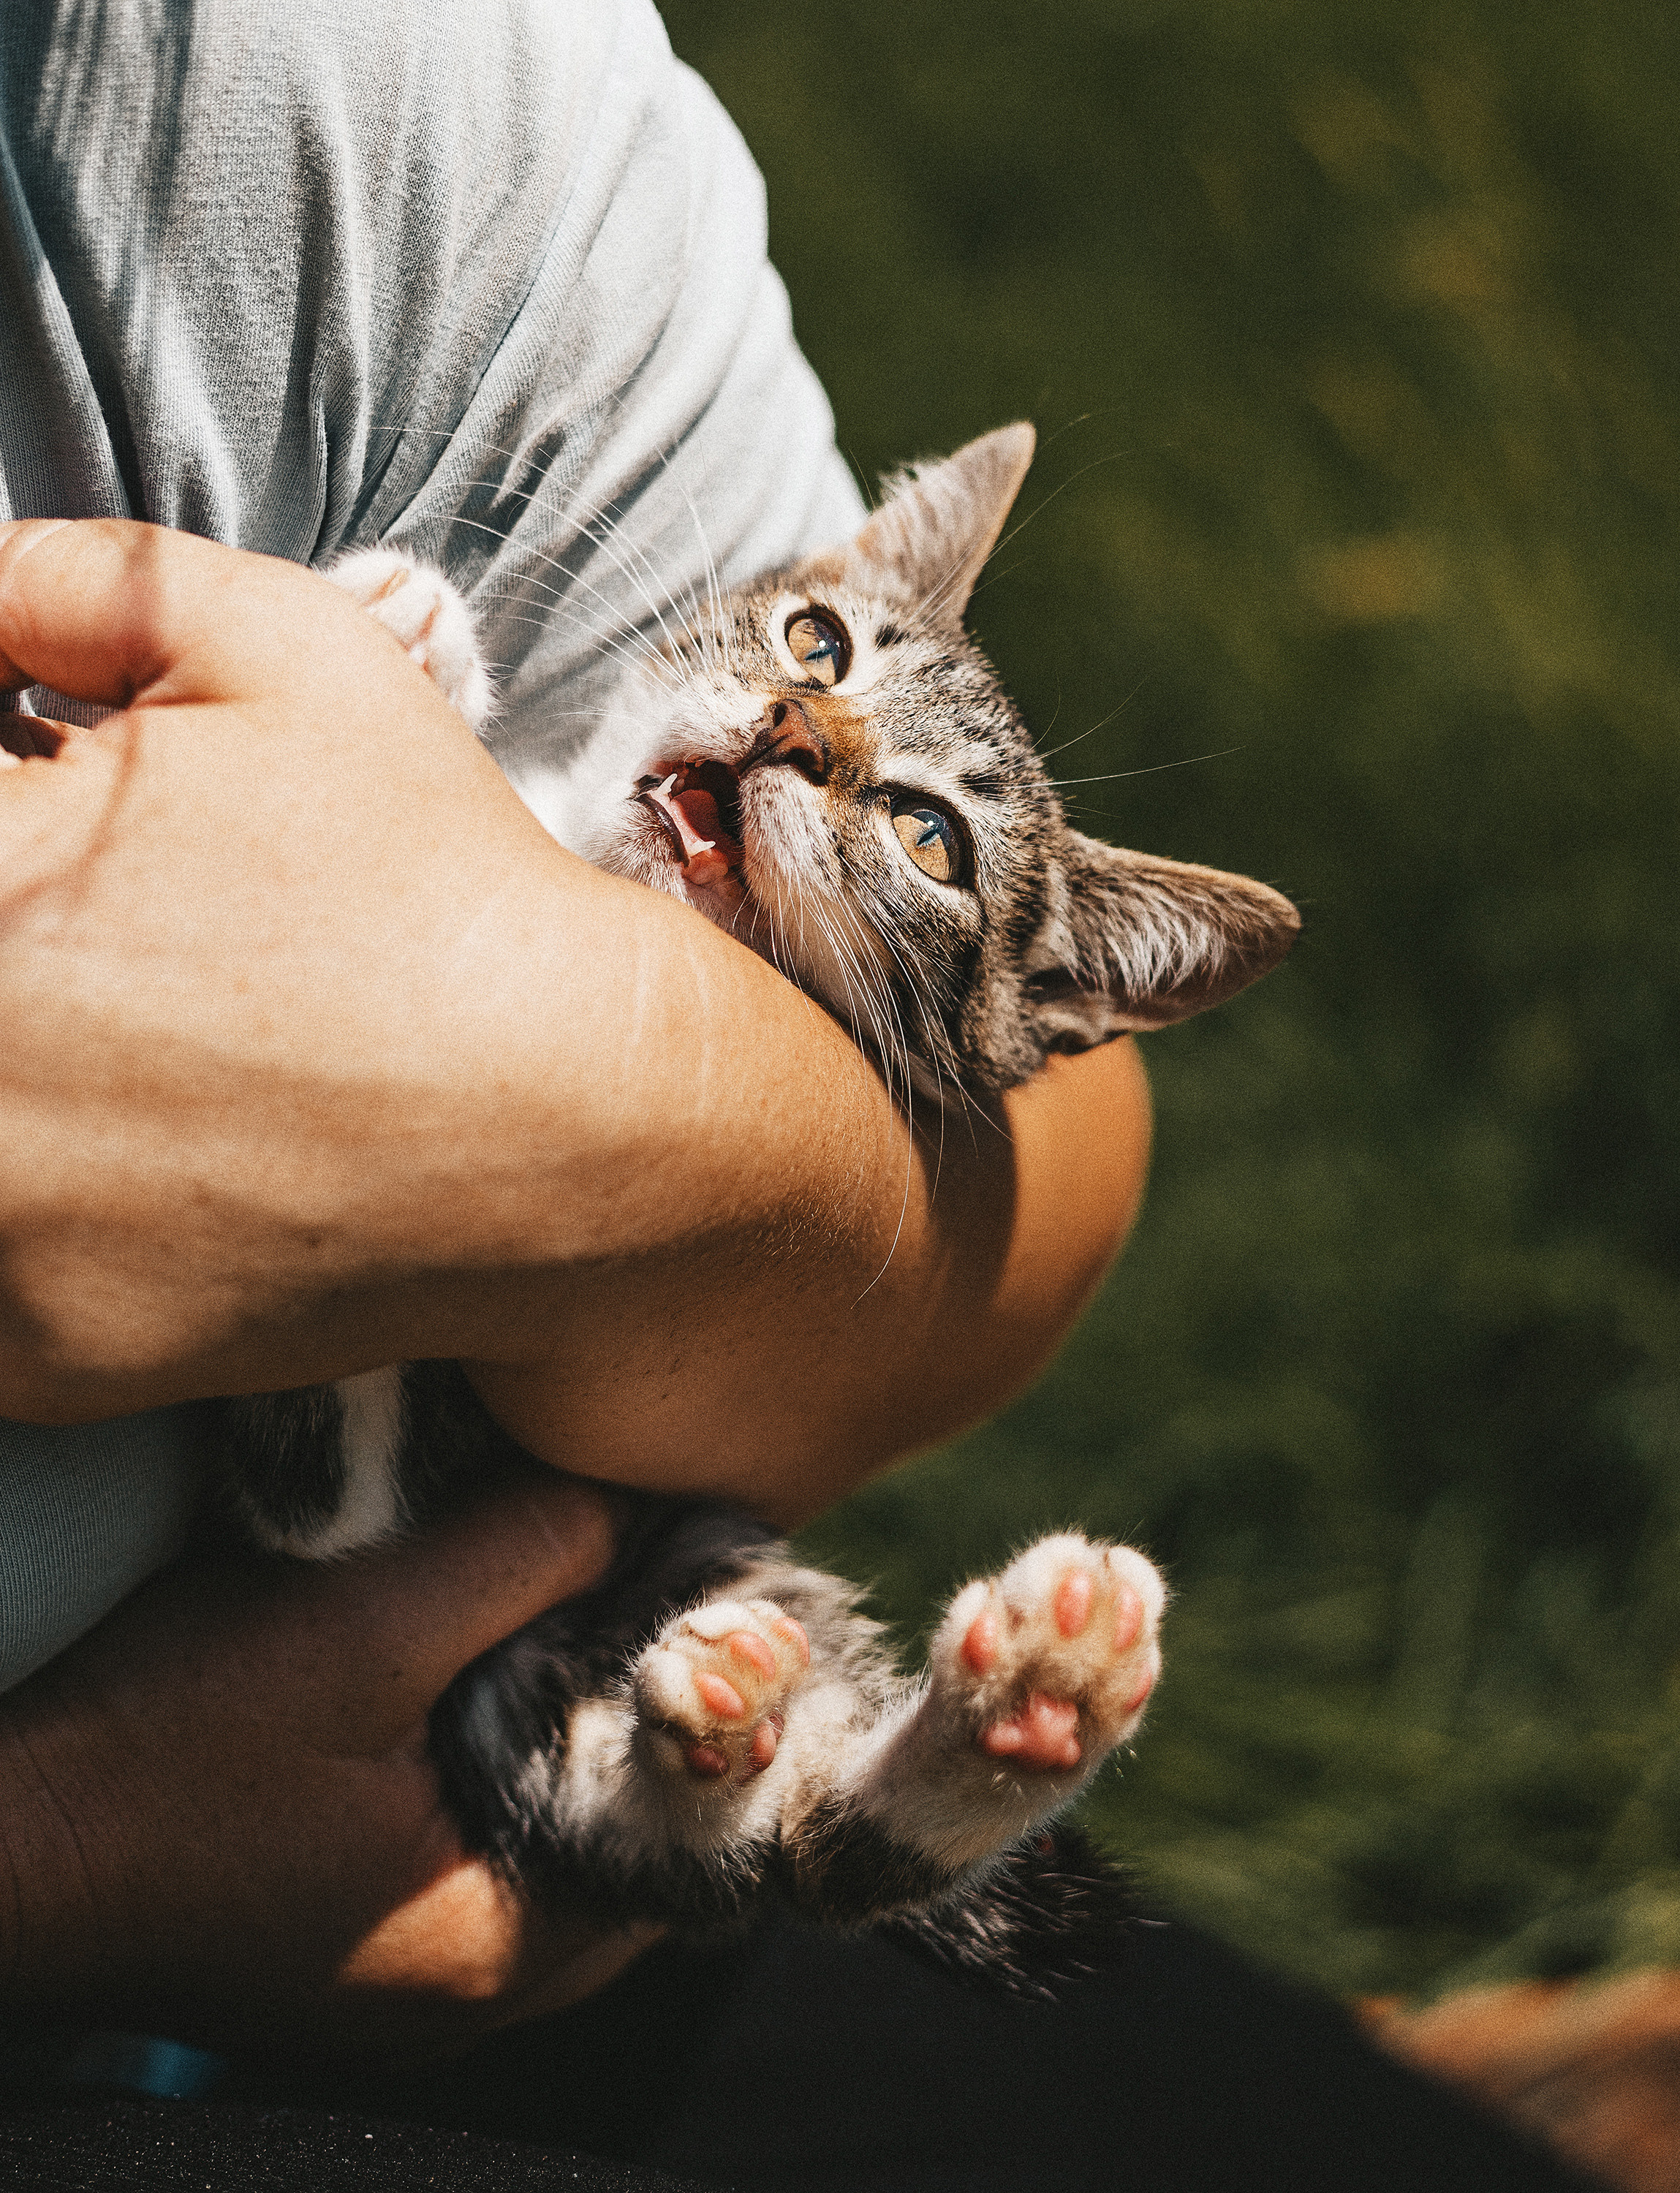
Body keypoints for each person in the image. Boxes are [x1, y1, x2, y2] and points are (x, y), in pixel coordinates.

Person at [0, 7, 1591, 2188]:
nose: (817, 747)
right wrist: (79, 1860)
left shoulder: (343, 88)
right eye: (829, 664)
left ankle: (902, 1798)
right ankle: (891, 1807)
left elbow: (1044, 1180)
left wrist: (616, 1104)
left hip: (443, 1766)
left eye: (918, 835)